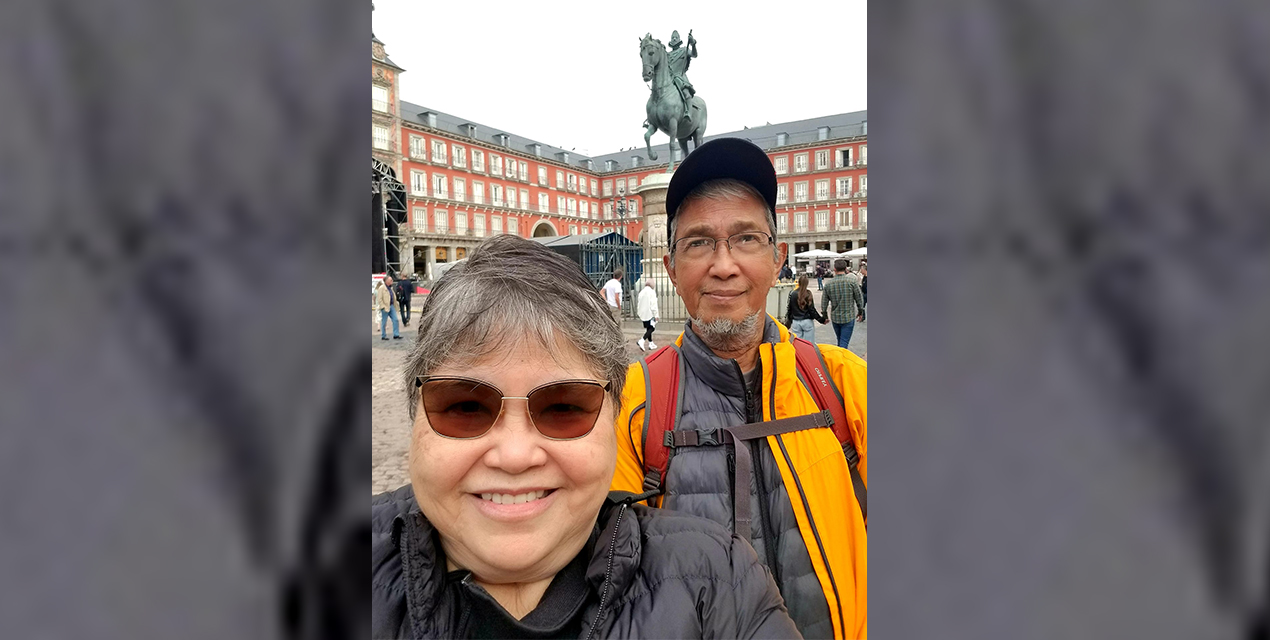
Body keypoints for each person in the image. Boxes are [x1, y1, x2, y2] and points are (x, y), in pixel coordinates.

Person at [372, 235, 800, 639]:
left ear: (613, 418)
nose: (516, 455)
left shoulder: (721, 582)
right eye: (466, 408)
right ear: (416, 416)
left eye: (564, 408)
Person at [611, 137, 868, 639]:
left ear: (778, 259)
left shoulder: (844, 383)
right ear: (671, 267)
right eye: (700, 241)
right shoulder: (632, 403)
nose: (724, 264)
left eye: (747, 238)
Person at [819, 259, 865, 351]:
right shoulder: (852, 282)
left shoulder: (828, 284)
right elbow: (859, 299)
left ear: (834, 269)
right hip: (848, 316)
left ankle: (839, 356)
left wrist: (824, 315)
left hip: (835, 317)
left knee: (840, 340)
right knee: (844, 342)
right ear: (846, 269)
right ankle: (841, 360)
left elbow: (824, 302)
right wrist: (860, 311)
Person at [785, 275, 826, 340]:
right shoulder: (808, 293)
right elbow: (812, 310)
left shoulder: (792, 294)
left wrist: (788, 322)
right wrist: (821, 320)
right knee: (809, 343)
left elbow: (790, 309)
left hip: (796, 321)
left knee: (798, 344)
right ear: (807, 283)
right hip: (807, 321)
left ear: (798, 282)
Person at [376, 274, 402, 340]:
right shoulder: (381, 288)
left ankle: (396, 334)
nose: (392, 281)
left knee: (395, 320)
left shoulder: (390, 288)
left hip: (391, 306)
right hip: (385, 307)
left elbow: (393, 297)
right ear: (386, 281)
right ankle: (383, 336)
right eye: (390, 280)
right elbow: (379, 299)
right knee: (384, 322)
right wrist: (383, 306)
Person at [637, 278, 660, 351]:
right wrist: (656, 315)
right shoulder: (651, 292)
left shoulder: (641, 292)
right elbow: (653, 304)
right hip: (650, 313)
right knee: (652, 328)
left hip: (643, 313)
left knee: (648, 328)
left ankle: (651, 343)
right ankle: (642, 340)